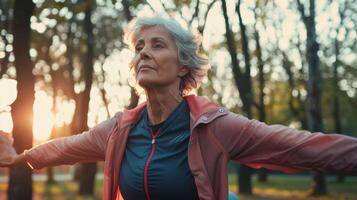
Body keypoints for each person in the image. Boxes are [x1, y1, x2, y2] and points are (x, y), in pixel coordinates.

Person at [1, 15, 357, 200]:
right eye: (139, 46)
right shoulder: (119, 129)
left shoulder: (215, 126)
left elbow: (300, 147)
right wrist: (19, 158)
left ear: (183, 65)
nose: (143, 52)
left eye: (157, 45)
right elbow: (66, 147)